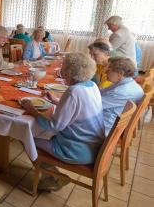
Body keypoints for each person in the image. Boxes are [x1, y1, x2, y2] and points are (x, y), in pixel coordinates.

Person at [21, 53, 104, 191]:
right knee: (41, 131)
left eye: (63, 68)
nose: (61, 71)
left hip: (76, 150)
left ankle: (53, 178)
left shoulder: (73, 91)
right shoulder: (92, 86)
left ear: (69, 72)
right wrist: (56, 101)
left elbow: (54, 126)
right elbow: (80, 108)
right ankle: (52, 175)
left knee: (25, 138)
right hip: (93, 146)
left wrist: (32, 111)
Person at [101, 57, 144, 136]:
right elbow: (103, 91)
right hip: (112, 122)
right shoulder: (130, 84)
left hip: (106, 127)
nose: (105, 72)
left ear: (120, 73)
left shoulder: (120, 91)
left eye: (109, 69)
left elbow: (94, 106)